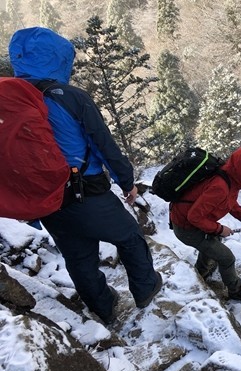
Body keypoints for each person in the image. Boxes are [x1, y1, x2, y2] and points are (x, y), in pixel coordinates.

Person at [8, 27, 162, 324]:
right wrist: (126, 181)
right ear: (58, 58)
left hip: (46, 199)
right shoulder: (69, 97)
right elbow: (103, 144)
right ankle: (145, 289)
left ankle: (104, 308)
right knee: (129, 236)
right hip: (86, 192)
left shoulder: (11, 102)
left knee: (79, 258)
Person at [169, 145, 241, 302]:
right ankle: (235, 290)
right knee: (227, 258)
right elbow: (194, 216)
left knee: (214, 243)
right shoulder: (220, 186)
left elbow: (229, 202)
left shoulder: (226, 175)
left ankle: (201, 272)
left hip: (186, 221)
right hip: (186, 228)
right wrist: (220, 229)